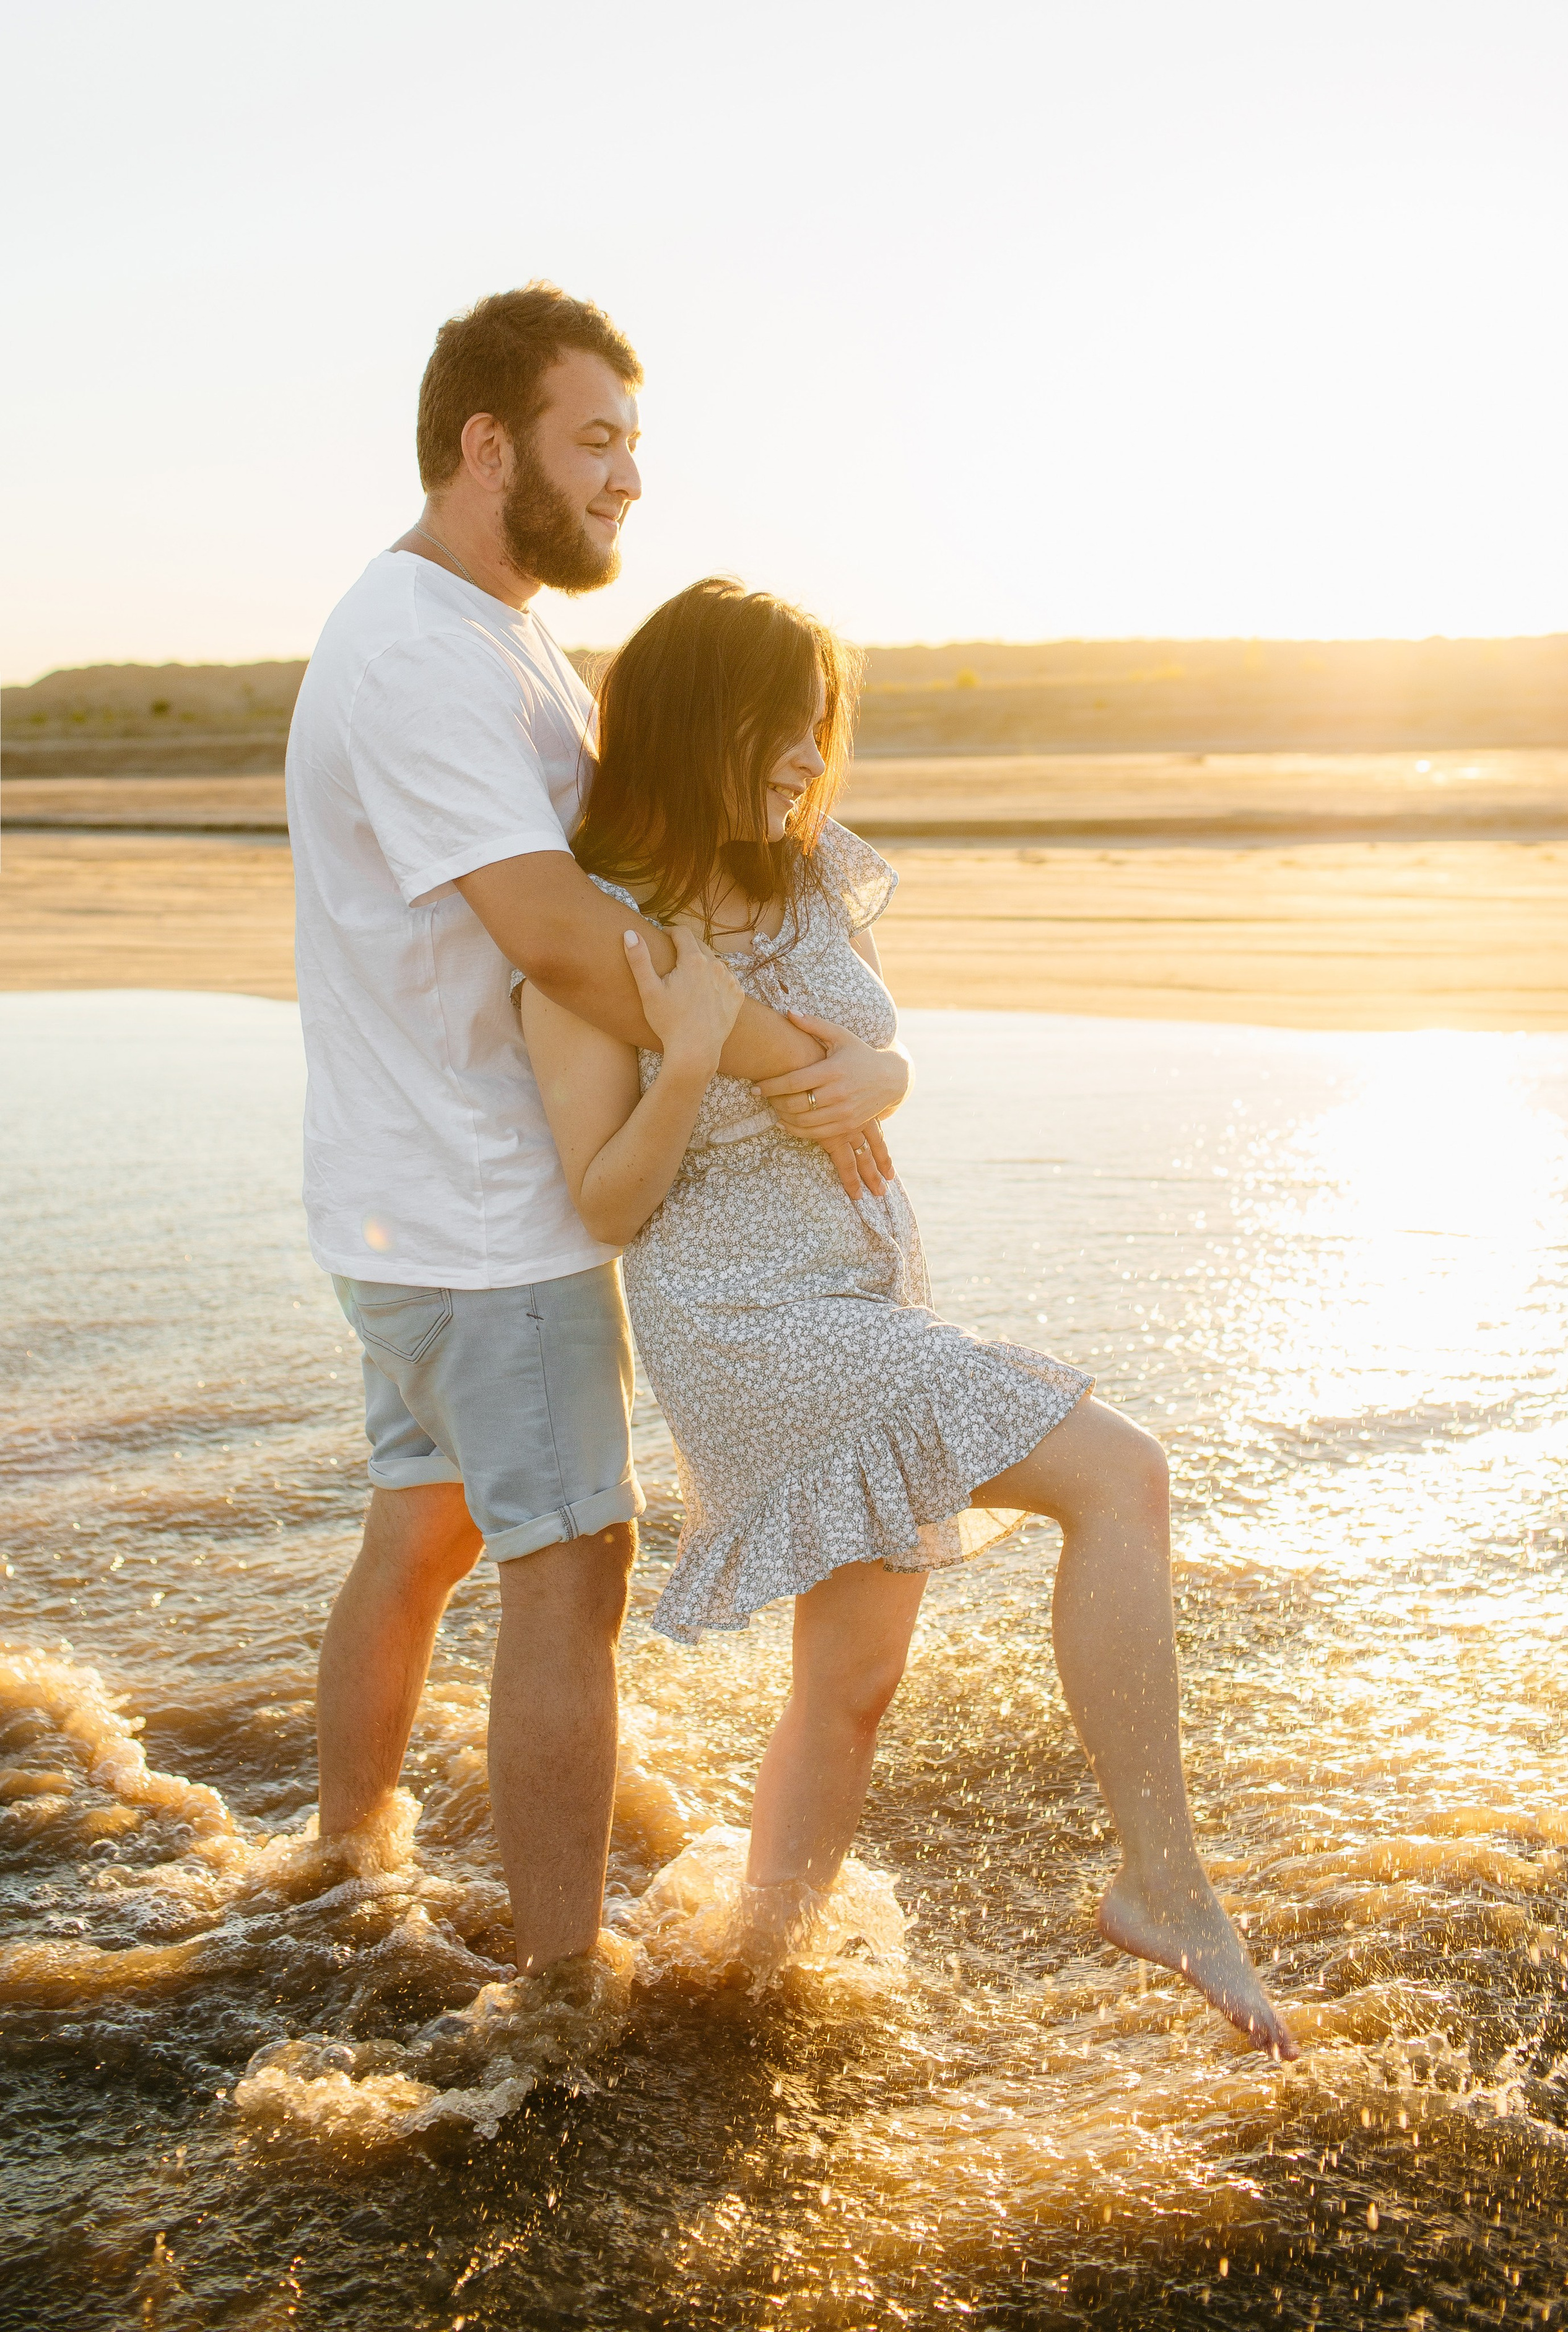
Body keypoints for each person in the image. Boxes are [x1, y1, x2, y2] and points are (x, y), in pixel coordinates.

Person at [516, 577, 1298, 2058]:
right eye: (781, 728)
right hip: (751, 1323)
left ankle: (752, 1979)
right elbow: (604, 1205)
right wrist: (687, 1059)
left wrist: (892, 1077)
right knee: (1119, 1474)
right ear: (695, 725)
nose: (811, 758)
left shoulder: (799, 876)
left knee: (854, 1684)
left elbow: (870, 1042)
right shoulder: (602, 933)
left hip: (866, 1293)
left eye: (822, 728)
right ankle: (1163, 1879)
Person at [286, 286, 910, 1980]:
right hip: (492, 1214)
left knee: (422, 1528)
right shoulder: (418, 650)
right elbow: (564, 934)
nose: (629, 476)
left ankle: (343, 1864)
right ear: (488, 444)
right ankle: (561, 1994)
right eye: (595, 438)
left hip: (404, 1202)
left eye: (636, 441)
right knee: (574, 1563)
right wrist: (805, 1064)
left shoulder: (487, 626)